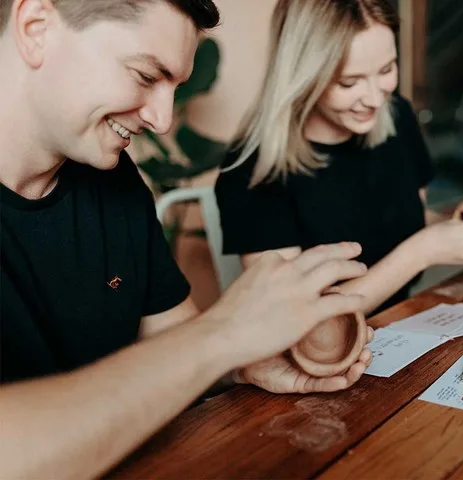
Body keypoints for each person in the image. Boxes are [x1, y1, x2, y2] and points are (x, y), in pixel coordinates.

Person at [0, 1, 374, 478]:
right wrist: (222, 336)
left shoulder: (113, 183)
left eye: (172, 88)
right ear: (36, 29)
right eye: (144, 75)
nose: (161, 119)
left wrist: (240, 362)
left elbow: (173, 337)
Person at [215, 0, 463, 316]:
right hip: (321, 352)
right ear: (302, 76)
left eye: (387, 69)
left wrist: (461, 225)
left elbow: (409, 220)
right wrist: (421, 252)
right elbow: (290, 316)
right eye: (349, 82)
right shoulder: (254, 168)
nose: (376, 99)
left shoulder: (397, 116)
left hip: (401, 319)